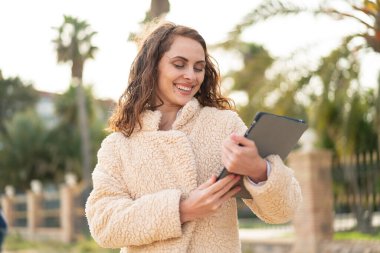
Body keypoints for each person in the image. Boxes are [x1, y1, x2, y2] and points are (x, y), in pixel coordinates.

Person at [85, 21, 302, 253]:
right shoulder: (118, 145)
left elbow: (284, 210)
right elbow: (104, 225)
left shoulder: (224, 125)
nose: (190, 76)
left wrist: (259, 170)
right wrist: (183, 209)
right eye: (179, 65)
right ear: (152, 66)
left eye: (198, 68)